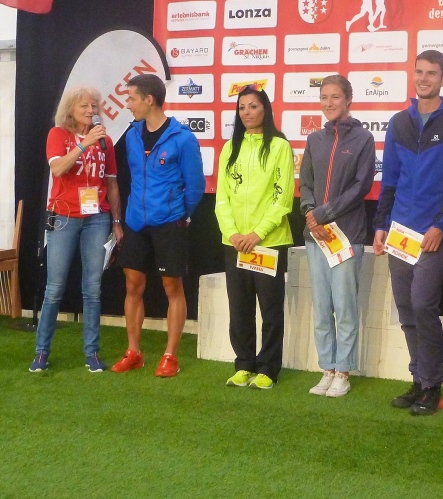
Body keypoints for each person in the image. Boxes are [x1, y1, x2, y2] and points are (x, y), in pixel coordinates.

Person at [373, 50, 443, 415]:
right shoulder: (399, 121)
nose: (423, 79)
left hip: (433, 230)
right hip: (400, 229)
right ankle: (419, 379)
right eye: (419, 72)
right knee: (405, 308)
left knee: (422, 304)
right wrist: (380, 226)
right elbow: (390, 179)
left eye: (431, 73)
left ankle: (432, 385)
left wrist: (441, 225)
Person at [112, 74, 204, 377]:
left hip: (169, 222)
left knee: (172, 287)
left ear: (149, 99)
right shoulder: (132, 135)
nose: (128, 105)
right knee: (132, 286)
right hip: (136, 222)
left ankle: (170, 356)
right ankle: (134, 352)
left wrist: (179, 214)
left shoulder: (183, 138)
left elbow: (195, 186)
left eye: (131, 98)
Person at [29, 85, 122, 373]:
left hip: (97, 218)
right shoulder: (58, 135)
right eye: (84, 106)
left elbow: (111, 183)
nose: (91, 111)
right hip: (64, 216)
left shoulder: (105, 141)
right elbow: (58, 169)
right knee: (55, 288)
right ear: (70, 109)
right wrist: (84, 144)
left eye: (94, 106)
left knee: (92, 289)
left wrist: (117, 221)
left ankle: (92, 353)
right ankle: (41, 352)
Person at [299, 75, 376, 397]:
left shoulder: (363, 139)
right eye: (324, 97)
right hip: (315, 235)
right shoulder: (315, 139)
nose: (328, 103)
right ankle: (326, 369)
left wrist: (325, 213)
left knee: (344, 307)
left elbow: (361, 186)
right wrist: (310, 212)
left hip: (347, 234)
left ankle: (343, 371)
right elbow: (305, 182)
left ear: (348, 100)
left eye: (335, 97)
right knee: (321, 306)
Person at [217, 86, 294, 390]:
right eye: (242, 107)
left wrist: (257, 233)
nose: (247, 112)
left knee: (271, 310)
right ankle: (244, 365)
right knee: (240, 309)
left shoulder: (279, 146)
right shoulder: (229, 148)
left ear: (265, 109)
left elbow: (282, 198)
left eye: (253, 106)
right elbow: (221, 199)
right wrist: (233, 234)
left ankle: (268, 369)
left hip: (268, 243)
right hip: (234, 243)